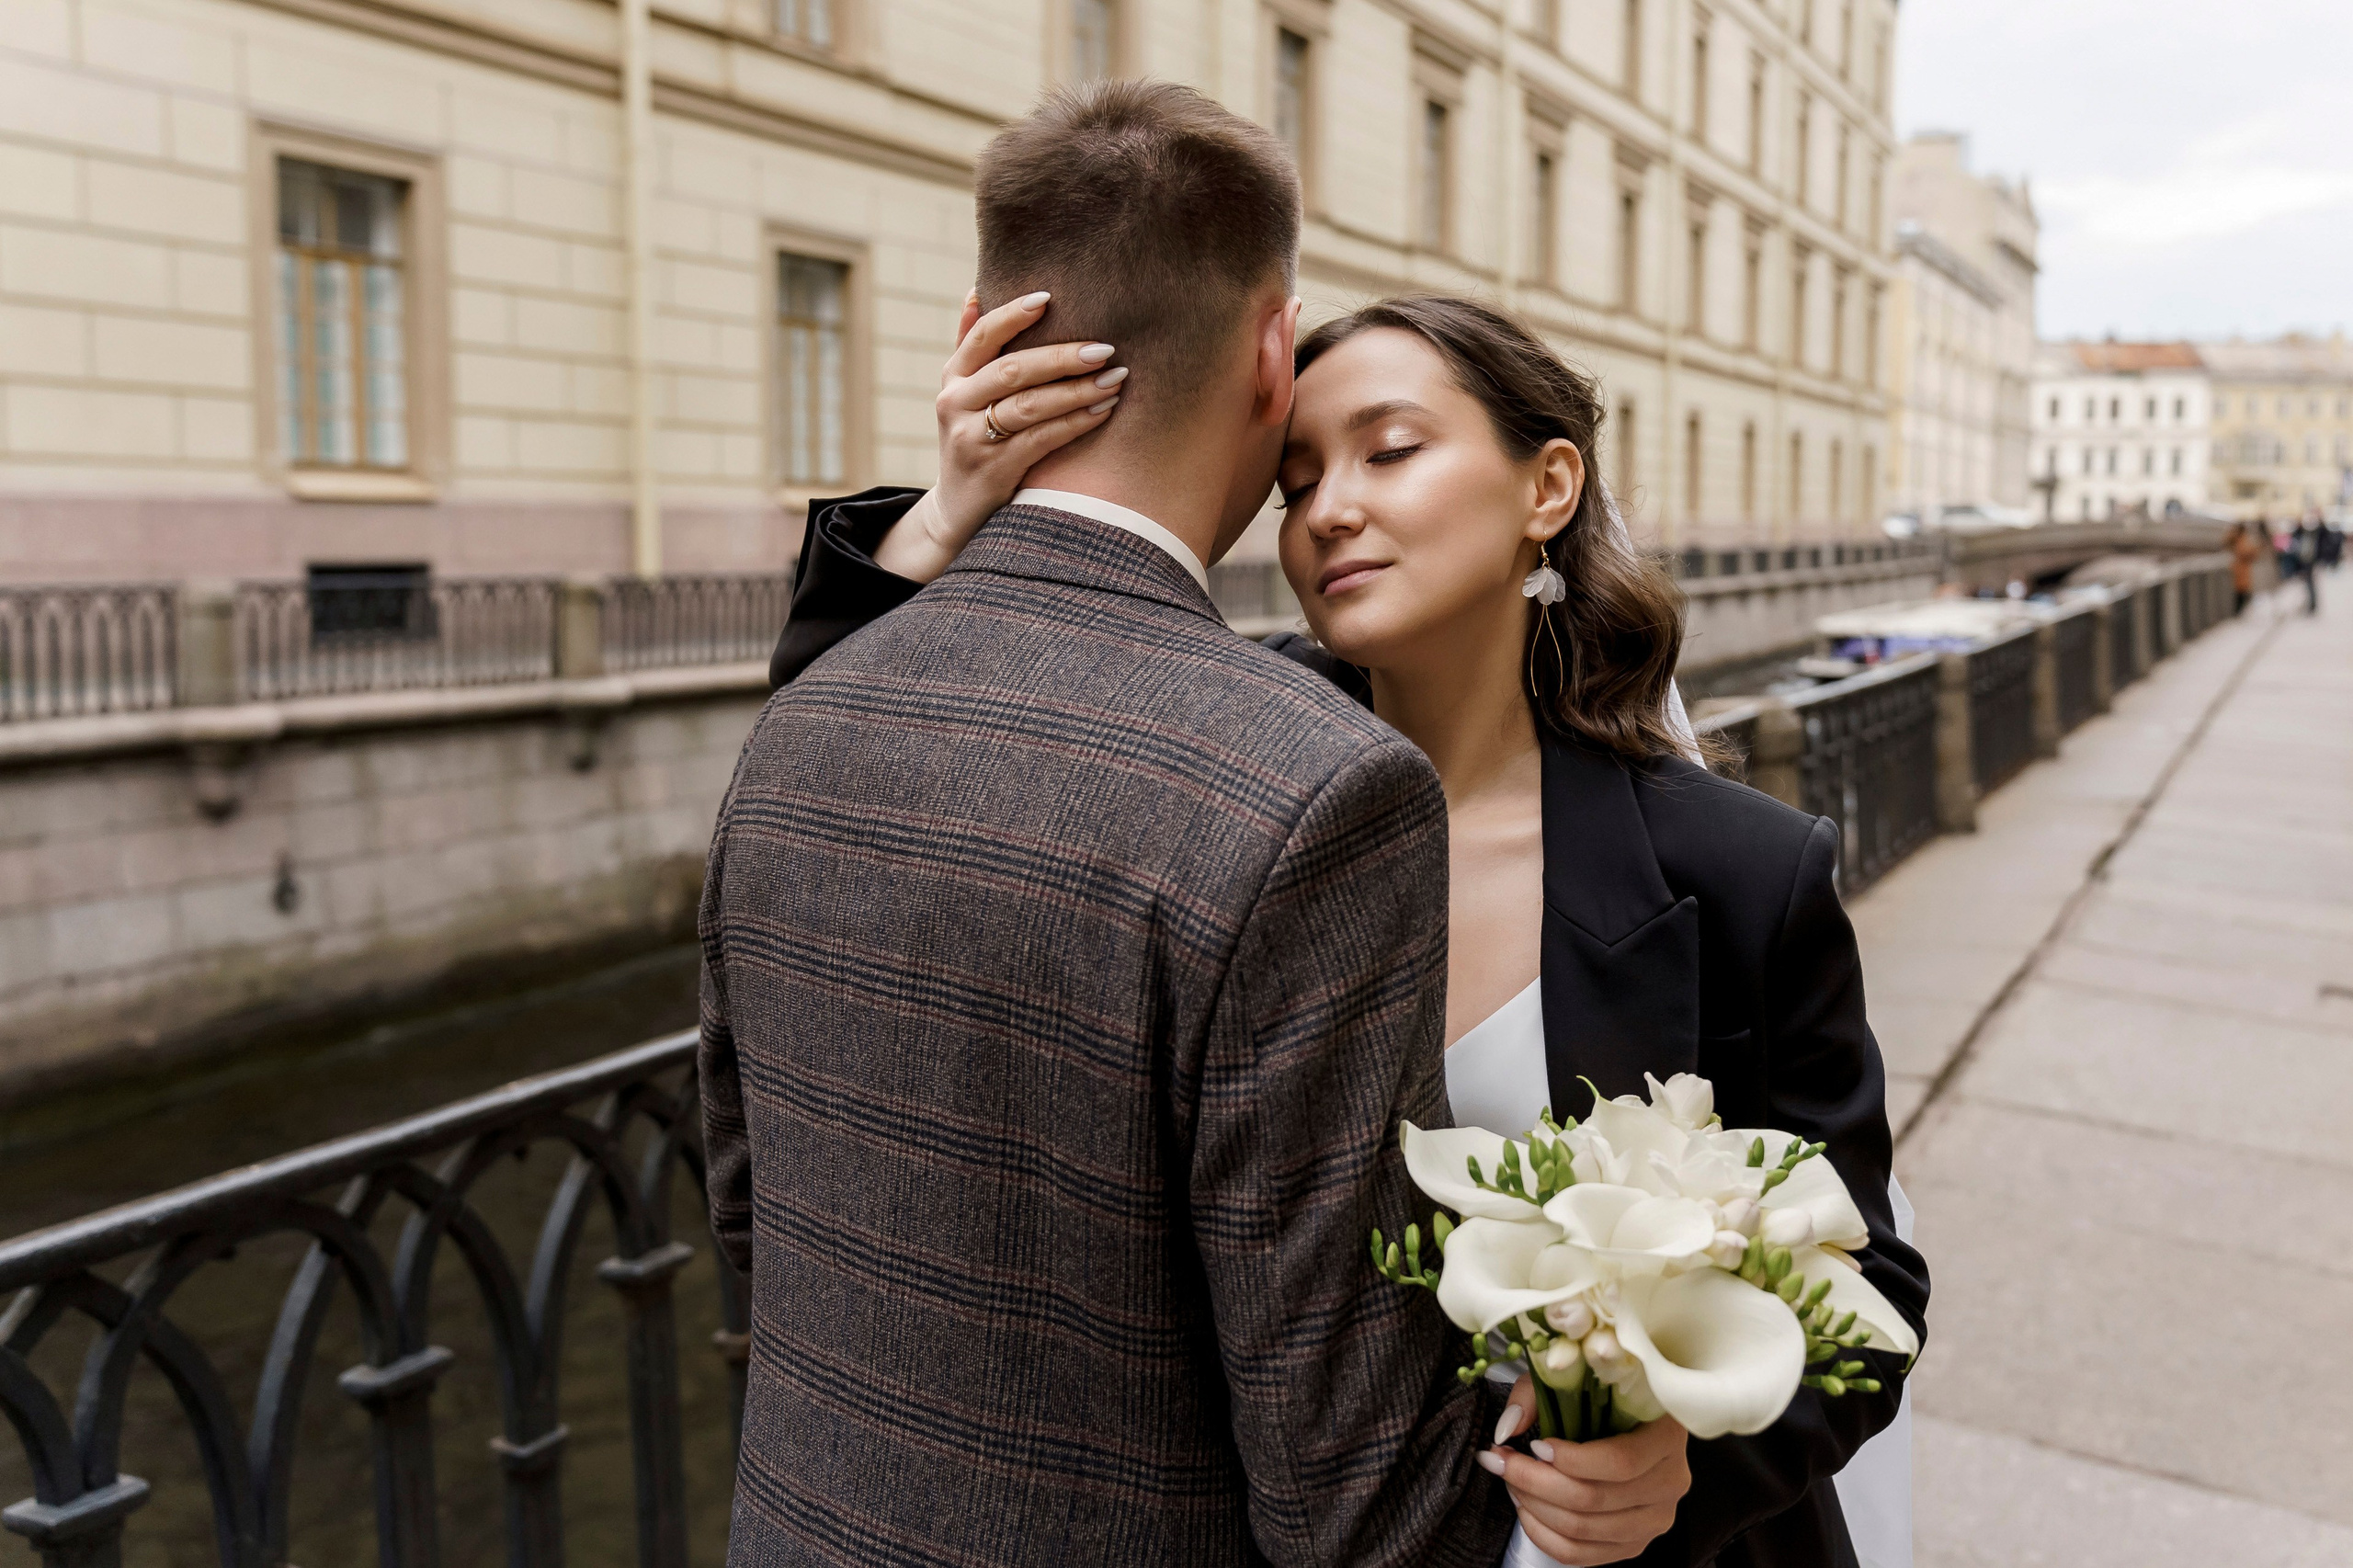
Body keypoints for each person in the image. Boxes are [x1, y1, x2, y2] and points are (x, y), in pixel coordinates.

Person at [774, 290, 1928, 1568]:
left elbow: (1870, 1282)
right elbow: (865, 774)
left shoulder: (1739, 870)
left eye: (1391, 450)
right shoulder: (1208, 773)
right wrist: (942, 520)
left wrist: (1682, 1463)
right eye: (1298, 476)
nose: (1328, 508)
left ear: (1547, 486)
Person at [699, 82, 1671, 1568]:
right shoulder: (1311, 789)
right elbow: (1353, 1487)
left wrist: (941, 525)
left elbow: (748, 1213)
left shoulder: (802, 725)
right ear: (1275, 355)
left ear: (990, 330)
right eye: (1306, 470)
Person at [2228, 521, 2257, 616]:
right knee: (2241, 591)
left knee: (2242, 590)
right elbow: (2246, 552)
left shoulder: (2238, 538)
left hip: (2241, 569)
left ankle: (2239, 611)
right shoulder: (2240, 539)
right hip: (2240, 569)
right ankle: (2238, 612)